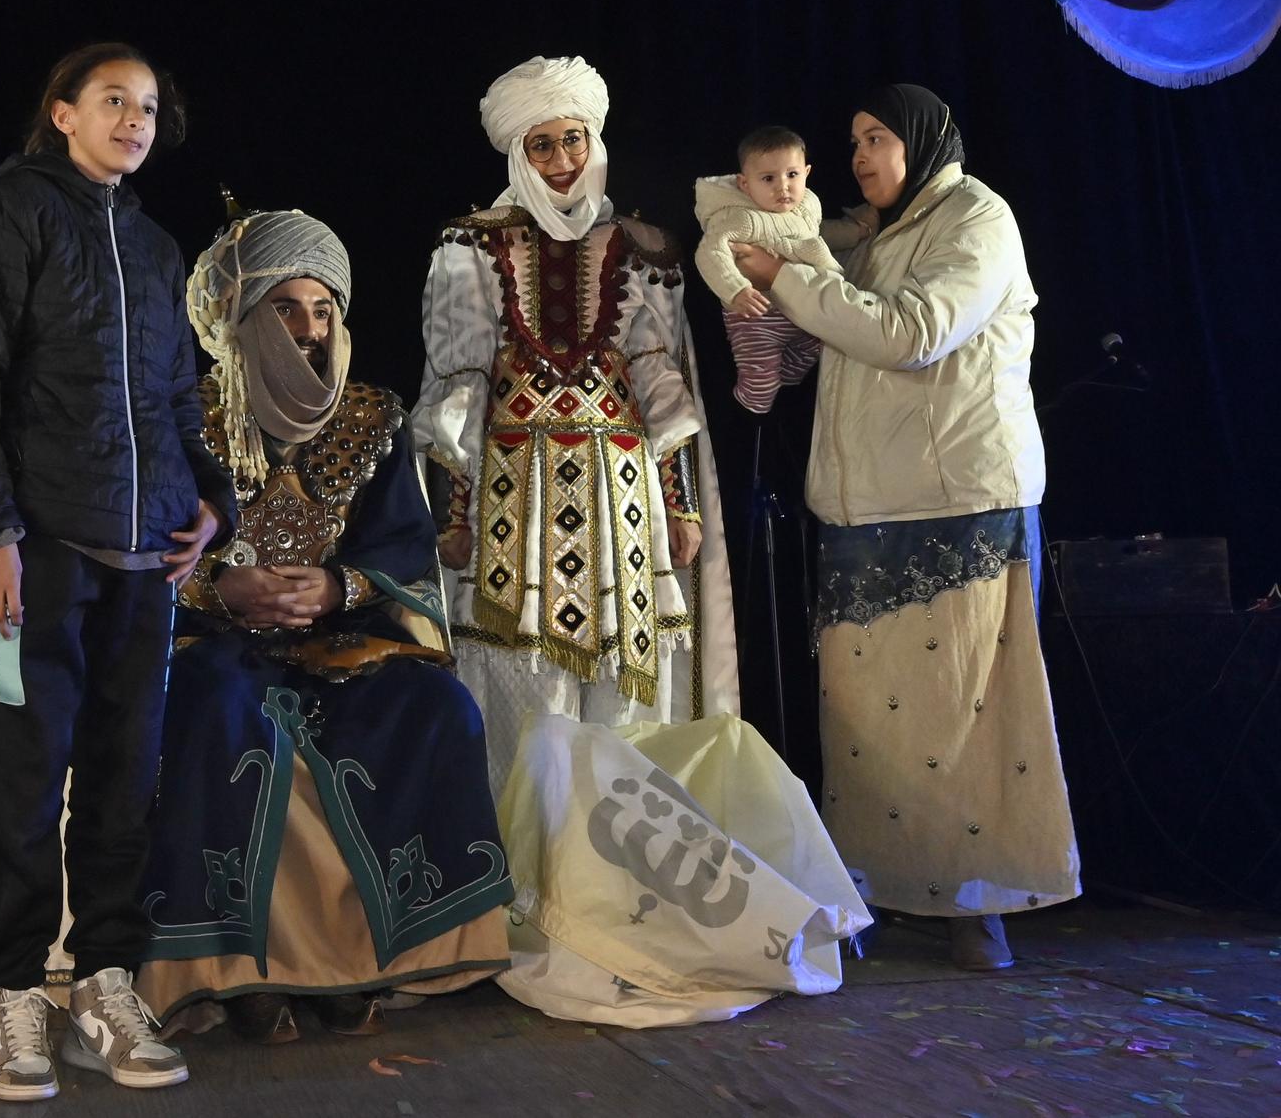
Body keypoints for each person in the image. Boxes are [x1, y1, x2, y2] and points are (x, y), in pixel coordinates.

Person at [415, 56, 867, 1028]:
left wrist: (679, 502)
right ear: (518, 152)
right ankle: (522, 906)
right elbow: (455, 377)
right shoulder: (466, 246)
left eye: (573, 137)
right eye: (544, 142)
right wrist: (453, 507)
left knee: (623, 702)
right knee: (524, 706)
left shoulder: (647, 249)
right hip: (514, 503)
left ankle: (619, 901)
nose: (564, 157)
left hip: (621, 503)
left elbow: (658, 376)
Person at [0, 42, 237, 1102]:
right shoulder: (4, 213)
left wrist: (210, 499)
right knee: (18, 777)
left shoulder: (154, 247)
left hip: (142, 560)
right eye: (113, 100)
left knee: (120, 782)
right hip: (31, 555)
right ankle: (15, 993)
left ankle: (104, 981)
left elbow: (178, 397)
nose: (135, 120)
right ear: (60, 112)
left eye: (149, 106)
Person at [137, 208, 512, 1046]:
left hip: (341, 640)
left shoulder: (374, 416)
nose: (310, 330)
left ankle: (363, 961)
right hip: (211, 641)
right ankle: (233, 975)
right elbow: (143, 548)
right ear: (241, 317)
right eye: (286, 308)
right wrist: (220, 586)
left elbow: (406, 555)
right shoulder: (181, 414)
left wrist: (341, 585)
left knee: (434, 711)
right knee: (221, 713)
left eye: (324, 310)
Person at [732, 83, 1081, 971]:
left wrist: (791, 280)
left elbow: (913, 331)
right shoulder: (877, 231)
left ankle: (979, 903)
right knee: (867, 720)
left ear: (922, 140)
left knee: (970, 714)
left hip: (960, 500)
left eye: (876, 137)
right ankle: (877, 889)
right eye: (852, 139)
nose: (859, 154)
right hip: (863, 504)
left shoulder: (977, 218)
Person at [692, 126, 846, 413]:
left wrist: (856, 232)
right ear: (745, 184)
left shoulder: (807, 207)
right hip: (756, 316)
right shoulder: (741, 217)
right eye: (768, 178)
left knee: (820, 349)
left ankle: (782, 388)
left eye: (792, 175)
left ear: (807, 173)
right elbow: (709, 252)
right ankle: (746, 415)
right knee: (760, 389)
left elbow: (817, 238)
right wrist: (735, 289)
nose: (783, 187)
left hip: (799, 311)